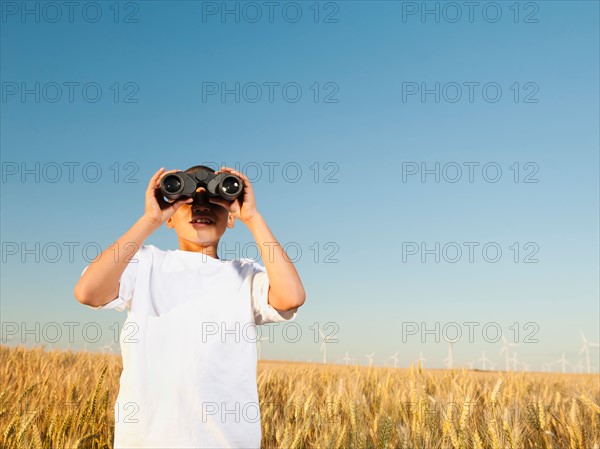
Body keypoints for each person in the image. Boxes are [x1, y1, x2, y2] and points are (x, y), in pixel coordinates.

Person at [73, 165, 306, 449]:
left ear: (231, 217)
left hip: (227, 441)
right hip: (147, 440)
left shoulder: (244, 275)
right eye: (188, 201)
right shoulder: (146, 262)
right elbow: (88, 292)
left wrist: (253, 218)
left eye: (213, 200)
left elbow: (291, 296)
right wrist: (150, 219)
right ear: (170, 218)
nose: (201, 207)